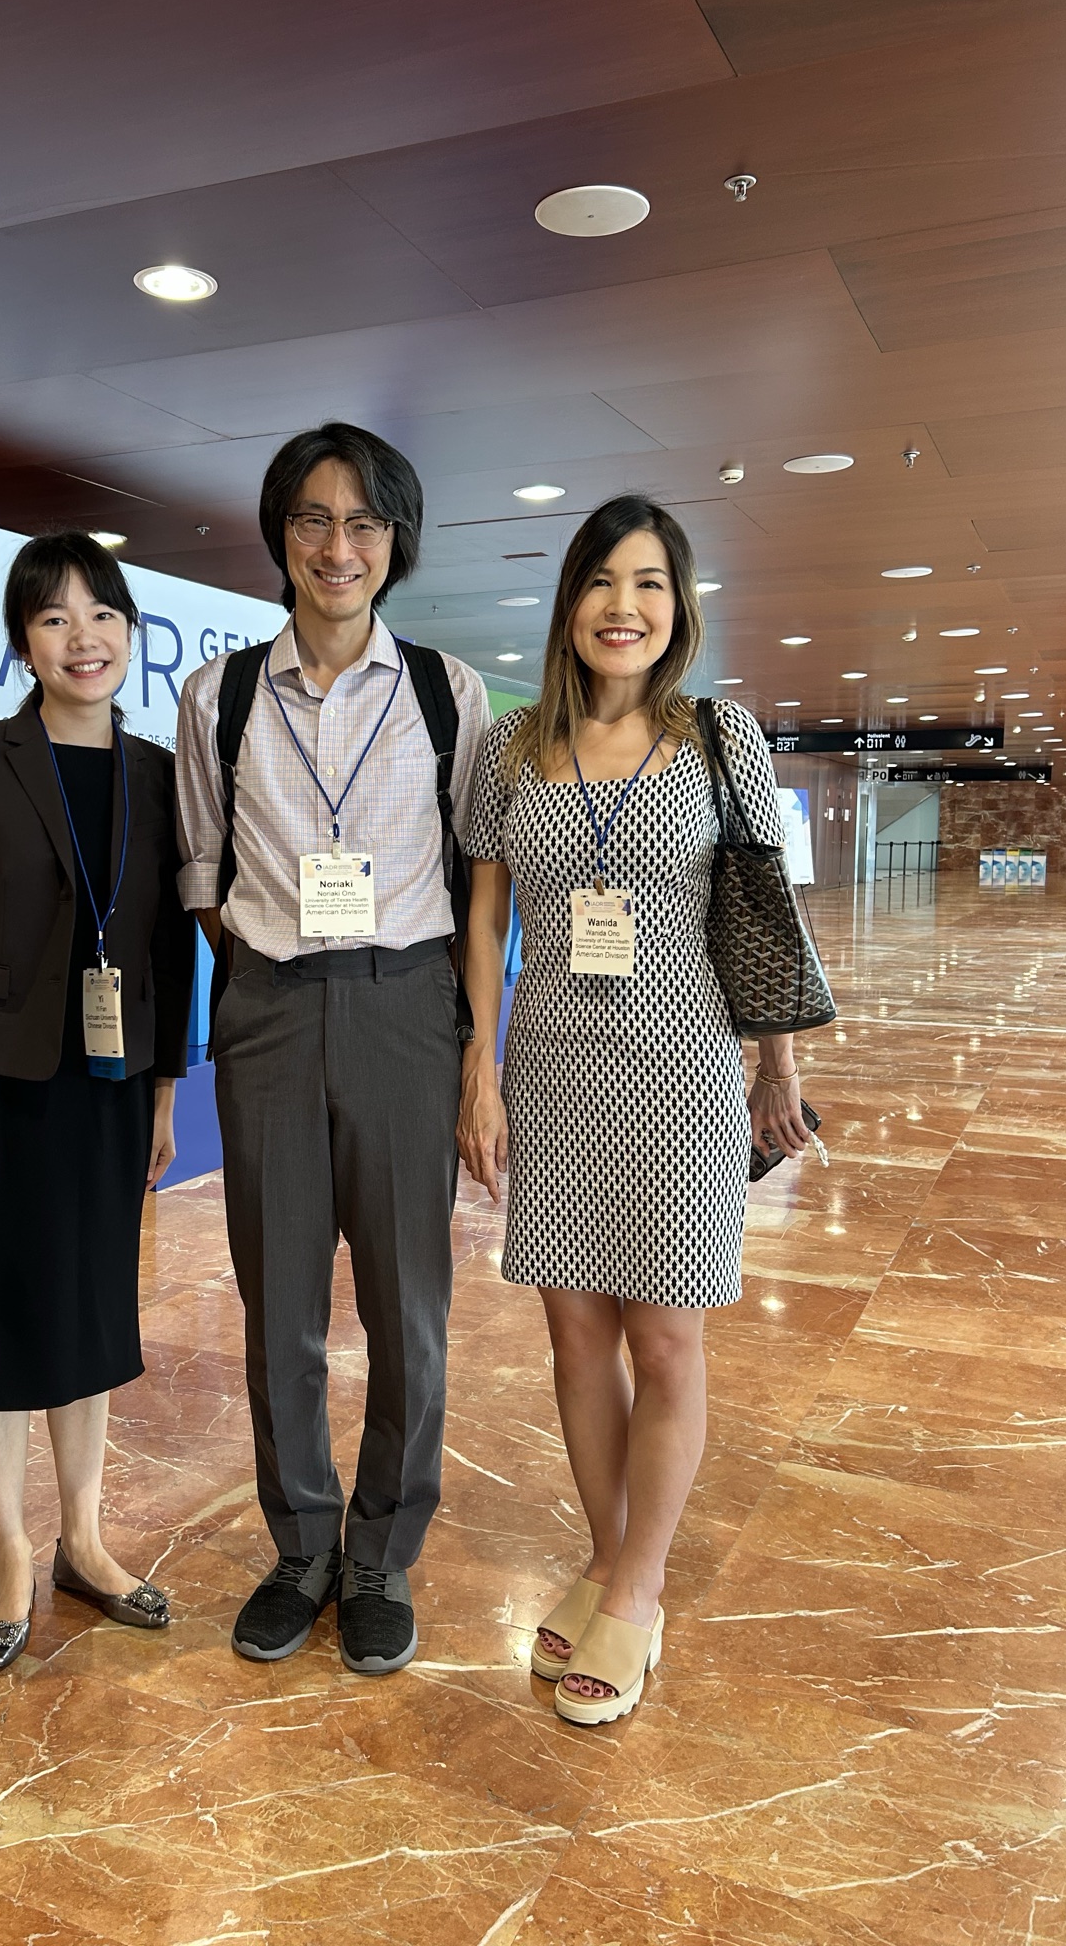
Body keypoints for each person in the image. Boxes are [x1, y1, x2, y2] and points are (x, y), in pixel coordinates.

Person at [456, 494, 811, 1726]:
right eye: (602, 581)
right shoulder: (511, 747)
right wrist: (481, 1065)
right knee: (574, 1338)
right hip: (554, 1069)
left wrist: (777, 1067)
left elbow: (760, 909)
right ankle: (608, 1557)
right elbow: (486, 918)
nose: (624, 606)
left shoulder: (719, 736)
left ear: (679, 604)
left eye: (649, 582)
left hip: (683, 1068)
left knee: (664, 1342)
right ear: (570, 603)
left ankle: (643, 1586)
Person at [176, 422, 489, 1675]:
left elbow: (478, 880)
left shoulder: (448, 693)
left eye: (364, 522)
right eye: (313, 518)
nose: (338, 545)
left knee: (409, 1301)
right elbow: (205, 872)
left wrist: (473, 1050)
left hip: (407, 1004)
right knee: (279, 1298)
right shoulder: (221, 695)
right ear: (281, 535)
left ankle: (381, 1552)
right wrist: (271, 970)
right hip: (270, 1007)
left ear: (395, 542)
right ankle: (302, 1542)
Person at [0, 531, 195, 1673]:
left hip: (111, 1083)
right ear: (24, 640)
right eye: (56, 617)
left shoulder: (157, 773)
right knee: (4, 1310)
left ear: (130, 633)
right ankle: (12, 1550)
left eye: (103, 613)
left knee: (91, 1307)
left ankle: (86, 1539)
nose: (84, 637)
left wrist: (166, 1088)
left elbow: (168, 944)